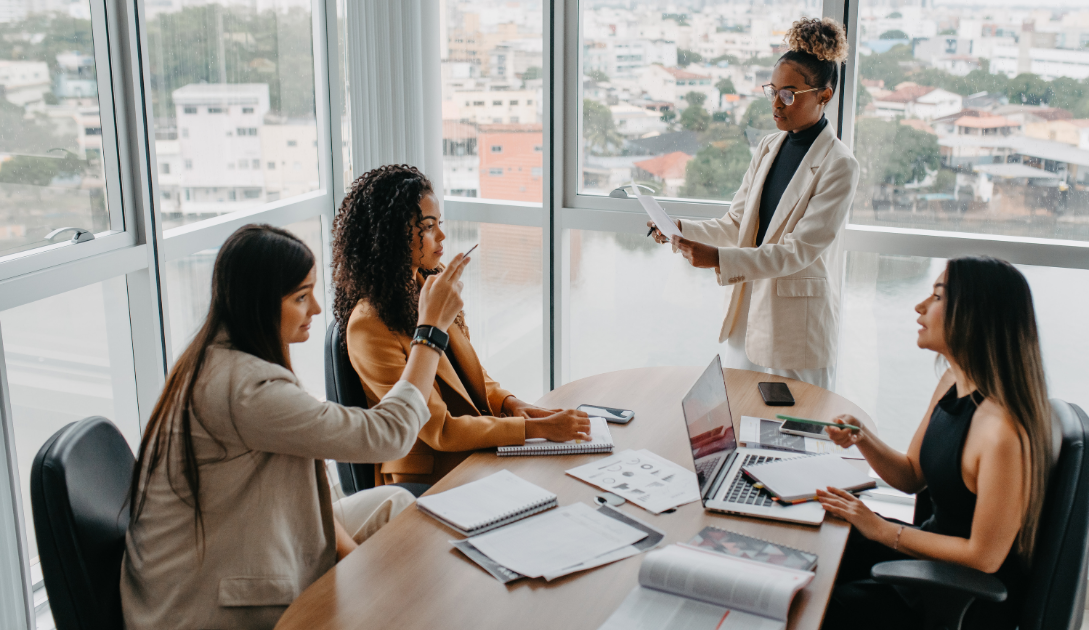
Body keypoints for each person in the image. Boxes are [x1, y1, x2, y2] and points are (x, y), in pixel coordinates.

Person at [121, 224, 469, 630]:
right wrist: (429, 333)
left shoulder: (222, 354)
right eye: (301, 297)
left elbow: (307, 488)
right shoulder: (245, 390)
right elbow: (388, 434)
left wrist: (354, 555)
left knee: (392, 503)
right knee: (395, 552)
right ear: (260, 304)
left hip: (241, 540)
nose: (317, 309)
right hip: (203, 603)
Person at [816, 257, 1055, 630]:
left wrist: (880, 529)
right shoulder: (951, 382)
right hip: (928, 551)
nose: (920, 306)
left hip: (960, 593)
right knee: (818, 545)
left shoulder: (1003, 433)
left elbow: (984, 557)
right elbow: (912, 475)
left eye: (937, 296)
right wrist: (863, 437)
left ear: (974, 315)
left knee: (822, 606)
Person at [332, 164, 590, 486]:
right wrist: (534, 429)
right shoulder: (368, 326)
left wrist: (512, 404)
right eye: (427, 227)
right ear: (389, 236)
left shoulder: (428, 283)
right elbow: (440, 431)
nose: (441, 235)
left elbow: (469, 374)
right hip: (426, 480)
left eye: (439, 223)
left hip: (469, 452)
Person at [649, 17, 858, 389]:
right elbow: (736, 224)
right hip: (747, 317)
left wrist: (716, 258)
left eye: (789, 94)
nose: (776, 104)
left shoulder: (839, 164)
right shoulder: (768, 146)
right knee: (739, 421)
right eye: (773, 90)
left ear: (824, 95)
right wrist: (680, 229)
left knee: (796, 436)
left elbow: (797, 252)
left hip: (797, 330)